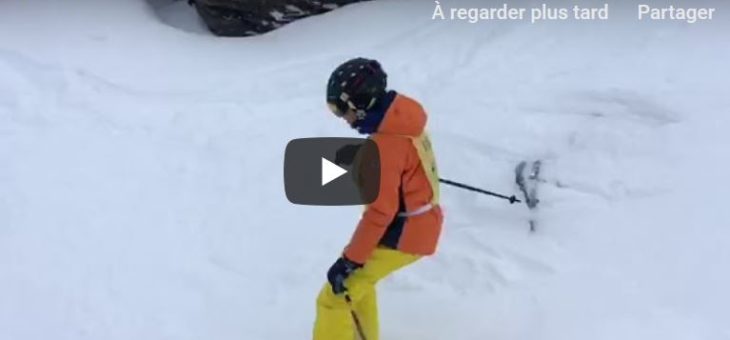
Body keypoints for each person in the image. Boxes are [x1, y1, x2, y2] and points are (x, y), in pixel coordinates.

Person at [313, 57, 444, 340]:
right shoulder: (405, 119)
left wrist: (349, 260)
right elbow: (408, 164)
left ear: (360, 105)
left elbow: (380, 213)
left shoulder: (384, 146)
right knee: (359, 286)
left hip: (404, 233)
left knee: (336, 297)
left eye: (341, 109)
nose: (341, 117)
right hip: (418, 223)